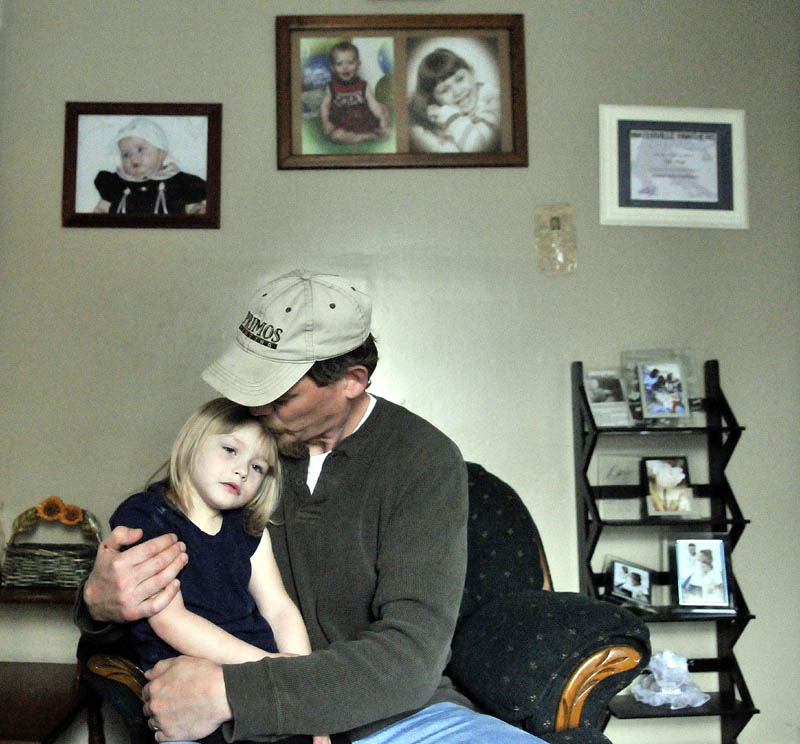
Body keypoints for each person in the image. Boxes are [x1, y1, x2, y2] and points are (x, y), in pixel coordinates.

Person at [74, 270, 545, 744]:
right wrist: (98, 604)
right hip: (239, 723)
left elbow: (411, 658)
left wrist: (234, 693)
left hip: (394, 717)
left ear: (351, 382)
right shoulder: (237, 444)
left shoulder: (423, 460)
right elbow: (162, 602)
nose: (255, 406)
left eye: (279, 392)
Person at [110, 397, 329, 744]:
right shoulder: (146, 516)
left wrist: (303, 689)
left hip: (256, 684)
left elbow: (278, 608)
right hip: (186, 691)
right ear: (192, 443)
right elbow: (169, 620)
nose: (243, 470)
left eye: (258, 467)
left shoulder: (248, 527)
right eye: (230, 449)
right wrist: (271, 670)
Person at [93, 117, 207, 215]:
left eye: (140, 149)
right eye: (125, 154)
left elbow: (193, 207)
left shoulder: (179, 183)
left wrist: (198, 210)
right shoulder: (116, 183)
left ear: (162, 152)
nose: (133, 158)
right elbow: (102, 208)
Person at [408, 47, 500, 153]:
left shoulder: (492, 100)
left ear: (472, 73)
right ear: (435, 101)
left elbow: (476, 146)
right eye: (444, 90)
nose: (457, 92)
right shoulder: (439, 118)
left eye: (460, 79)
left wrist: (451, 118)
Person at [319, 42, 389, 144]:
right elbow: (324, 106)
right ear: (333, 67)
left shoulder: (363, 85)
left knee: (383, 108)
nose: (345, 67)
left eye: (350, 63)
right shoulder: (331, 87)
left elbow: (373, 104)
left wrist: (382, 119)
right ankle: (365, 136)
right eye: (339, 64)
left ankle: (378, 129)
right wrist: (326, 122)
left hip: (362, 119)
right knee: (336, 136)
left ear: (358, 64)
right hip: (341, 123)